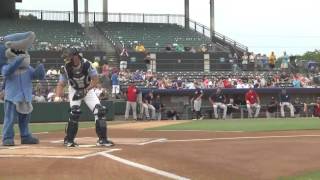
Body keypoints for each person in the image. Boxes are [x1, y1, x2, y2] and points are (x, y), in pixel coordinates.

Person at [55, 48, 114, 147]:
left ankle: (102, 139)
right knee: (74, 112)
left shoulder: (87, 64)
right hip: (74, 90)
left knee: (100, 111)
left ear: (75, 56)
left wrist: (85, 90)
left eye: (68, 57)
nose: (66, 59)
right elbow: (61, 84)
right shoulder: (65, 67)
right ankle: (69, 140)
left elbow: (95, 80)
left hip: (88, 89)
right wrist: (57, 96)